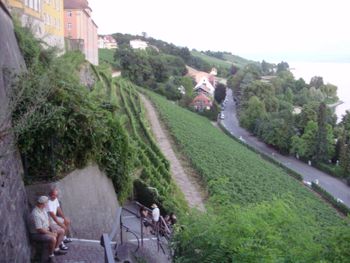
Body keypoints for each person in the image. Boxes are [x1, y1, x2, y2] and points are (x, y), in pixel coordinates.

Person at [29, 196, 66, 263]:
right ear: (42, 204)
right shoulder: (35, 214)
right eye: (46, 203)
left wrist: (51, 229)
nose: (47, 204)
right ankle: (51, 256)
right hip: (36, 234)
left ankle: (56, 249)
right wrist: (51, 233)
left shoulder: (43, 209)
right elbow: (39, 229)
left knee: (62, 231)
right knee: (53, 238)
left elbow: (47, 221)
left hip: (45, 229)